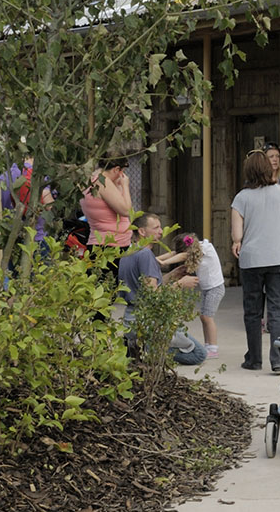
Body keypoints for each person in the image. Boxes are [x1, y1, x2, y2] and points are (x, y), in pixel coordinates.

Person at [231, 149, 280, 373]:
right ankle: (278, 361)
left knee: (253, 311)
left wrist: (237, 242)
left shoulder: (242, 197)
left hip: (251, 260)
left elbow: (237, 235)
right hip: (277, 257)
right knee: (276, 310)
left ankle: (254, 359)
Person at [119, 213, 206, 365]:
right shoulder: (146, 254)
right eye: (156, 227)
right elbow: (153, 295)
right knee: (198, 354)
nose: (161, 231)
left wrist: (172, 275)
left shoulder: (129, 252)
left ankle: (138, 346)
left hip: (131, 319)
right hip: (148, 321)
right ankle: (147, 349)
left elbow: (144, 288)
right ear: (142, 231)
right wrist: (181, 284)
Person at [162, 232, 226, 358]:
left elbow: (182, 255)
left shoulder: (205, 247)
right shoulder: (196, 249)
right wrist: (158, 259)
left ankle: (213, 348)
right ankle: (208, 345)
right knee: (204, 317)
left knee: (207, 317)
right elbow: (175, 253)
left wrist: (164, 263)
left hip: (215, 288)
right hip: (208, 289)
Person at [81, 156, 133, 282]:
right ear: (116, 169)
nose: (123, 176)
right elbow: (126, 210)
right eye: (122, 172)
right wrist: (125, 186)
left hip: (101, 241)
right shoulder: (103, 181)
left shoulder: (90, 179)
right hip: (112, 244)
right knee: (110, 291)